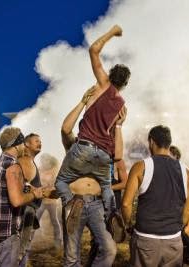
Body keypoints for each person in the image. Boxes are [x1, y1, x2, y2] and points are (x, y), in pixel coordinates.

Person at [55, 24, 130, 221]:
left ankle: (71, 205)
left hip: (85, 146)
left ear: (111, 74)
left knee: (61, 182)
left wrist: (113, 32)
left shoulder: (103, 84)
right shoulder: (122, 106)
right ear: (125, 84)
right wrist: (120, 124)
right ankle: (112, 214)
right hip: (104, 154)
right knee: (106, 187)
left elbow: (93, 49)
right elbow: (117, 147)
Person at [61, 87, 124, 266]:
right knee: (72, 257)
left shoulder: (104, 149)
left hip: (96, 204)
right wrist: (82, 102)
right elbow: (66, 129)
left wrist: (118, 126)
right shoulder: (75, 145)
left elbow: (118, 155)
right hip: (74, 202)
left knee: (110, 249)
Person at [122, 125, 189, 267]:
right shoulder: (186, 171)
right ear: (169, 143)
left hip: (146, 239)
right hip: (173, 240)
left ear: (151, 142)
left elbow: (126, 204)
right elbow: (188, 210)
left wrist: (129, 225)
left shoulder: (140, 166)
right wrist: (177, 228)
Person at [0, 127, 52, 267]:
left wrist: (26, 188)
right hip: (6, 236)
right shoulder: (13, 166)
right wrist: (35, 194)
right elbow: (17, 200)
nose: (23, 146)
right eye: (22, 143)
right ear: (16, 145)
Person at [17, 133, 44, 266]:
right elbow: (22, 185)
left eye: (40, 141)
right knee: (20, 251)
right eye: (36, 141)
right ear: (26, 144)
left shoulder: (29, 160)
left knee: (24, 250)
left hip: (29, 211)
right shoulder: (26, 160)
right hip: (26, 211)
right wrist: (39, 191)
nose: (40, 143)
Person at [35, 153, 63, 250]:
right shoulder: (38, 169)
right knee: (36, 219)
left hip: (51, 202)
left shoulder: (54, 170)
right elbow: (36, 183)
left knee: (55, 221)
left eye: (45, 160)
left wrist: (49, 186)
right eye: (43, 160)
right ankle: (29, 242)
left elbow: (56, 185)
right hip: (41, 200)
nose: (44, 161)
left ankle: (58, 243)